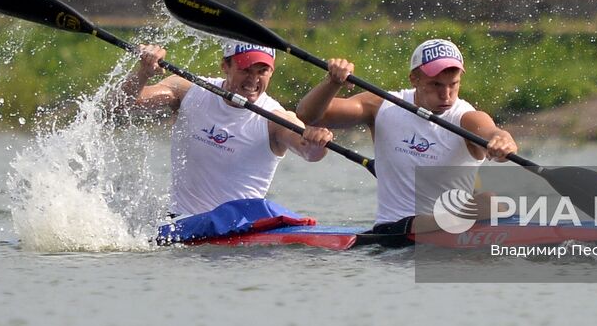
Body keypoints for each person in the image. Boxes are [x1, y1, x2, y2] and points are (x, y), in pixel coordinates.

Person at [294, 39, 519, 245]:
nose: (447, 95)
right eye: (436, 85)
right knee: (489, 203)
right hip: (395, 231)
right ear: (414, 78)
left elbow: (493, 133)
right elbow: (307, 115)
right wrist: (332, 82)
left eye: (453, 84)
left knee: (493, 203)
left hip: (452, 229)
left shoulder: (467, 117)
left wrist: (502, 142)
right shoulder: (382, 105)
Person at [120, 40, 333, 242]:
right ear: (225, 65)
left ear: (272, 72)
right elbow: (125, 104)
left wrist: (317, 141)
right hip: (182, 225)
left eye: (262, 71)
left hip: (243, 227)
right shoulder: (187, 90)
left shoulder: (276, 119)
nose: (253, 79)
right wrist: (143, 73)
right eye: (245, 69)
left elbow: (310, 153)